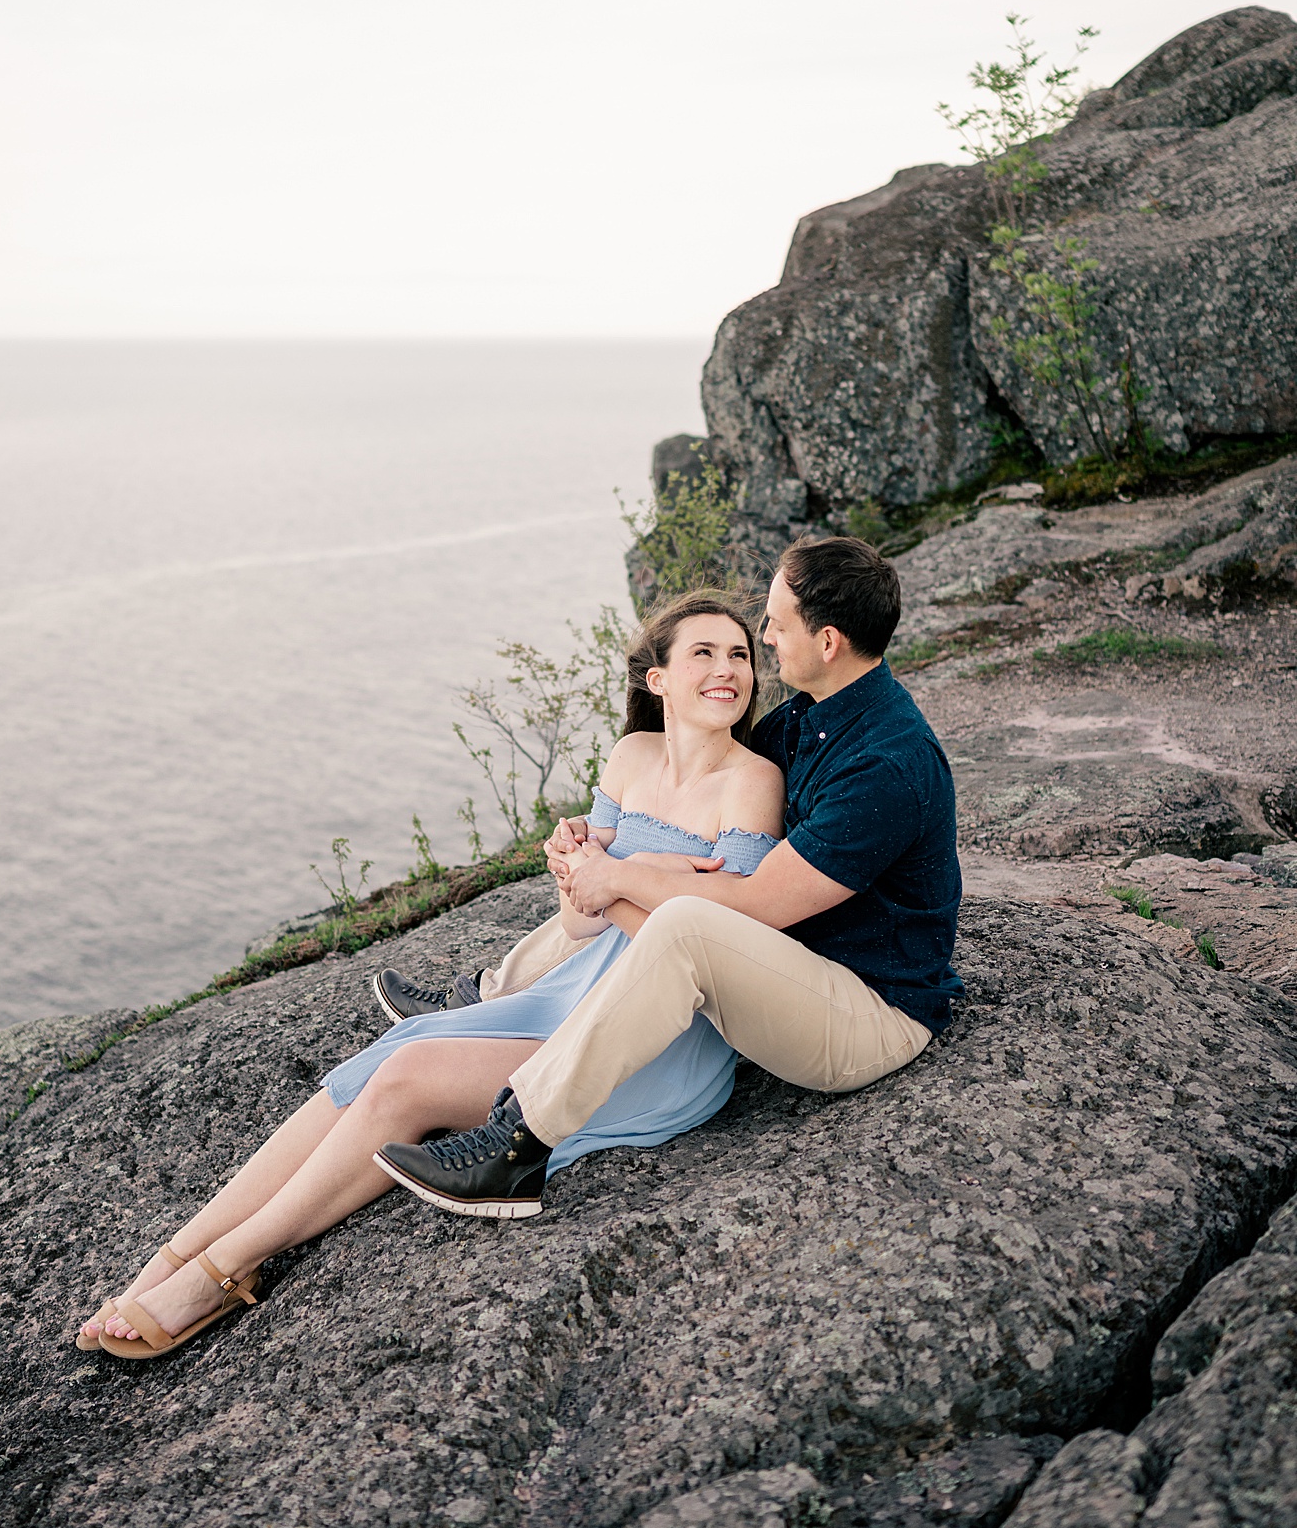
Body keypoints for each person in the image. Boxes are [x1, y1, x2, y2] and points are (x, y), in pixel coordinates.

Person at [77, 592, 784, 1358]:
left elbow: (712, 947)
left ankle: (223, 1268)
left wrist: (618, 873)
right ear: (658, 681)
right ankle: (177, 1253)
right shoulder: (631, 758)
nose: (727, 670)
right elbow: (583, 921)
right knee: (381, 1059)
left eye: (739, 654)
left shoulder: (752, 781)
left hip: (653, 1031)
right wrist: (591, 875)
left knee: (409, 1074)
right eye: (703, 654)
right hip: (575, 989)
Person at [374, 535, 962, 1221]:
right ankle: (484, 996)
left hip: (868, 1014)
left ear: (827, 641)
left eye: (774, 622)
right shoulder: (805, 719)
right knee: (631, 877)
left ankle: (518, 1145)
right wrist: (598, 847)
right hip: (798, 970)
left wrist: (617, 875)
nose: (765, 636)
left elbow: (754, 905)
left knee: (675, 918)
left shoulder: (885, 765)